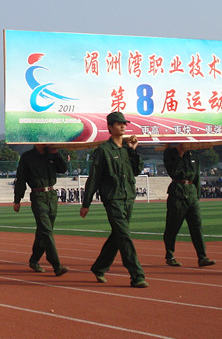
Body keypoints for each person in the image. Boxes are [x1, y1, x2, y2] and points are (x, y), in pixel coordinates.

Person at [80, 112, 148, 288]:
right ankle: (137, 274)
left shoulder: (126, 149)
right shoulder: (103, 151)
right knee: (124, 236)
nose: (123, 126)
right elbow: (94, 177)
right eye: (118, 124)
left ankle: (99, 267)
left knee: (118, 235)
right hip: (113, 199)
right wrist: (86, 203)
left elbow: (136, 170)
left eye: (124, 123)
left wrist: (134, 151)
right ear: (110, 127)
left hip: (128, 198)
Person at [13, 144, 69, 276]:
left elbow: (62, 169)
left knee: (43, 232)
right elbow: (21, 179)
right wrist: (17, 199)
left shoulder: (51, 154)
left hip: (52, 196)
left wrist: (56, 154)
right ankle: (56, 264)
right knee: (46, 230)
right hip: (38, 196)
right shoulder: (27, 157)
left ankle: (34, 260)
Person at [162, 144, 215, 268]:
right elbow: (173, 172)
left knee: (197, 226)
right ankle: (170, 255)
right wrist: (179, 156)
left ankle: (202, 256)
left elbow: (197, 176)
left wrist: (197, 195)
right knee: (172, 226)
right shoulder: (170, 153)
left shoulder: (194, 154)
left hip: (191, 192)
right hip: (178, 192)